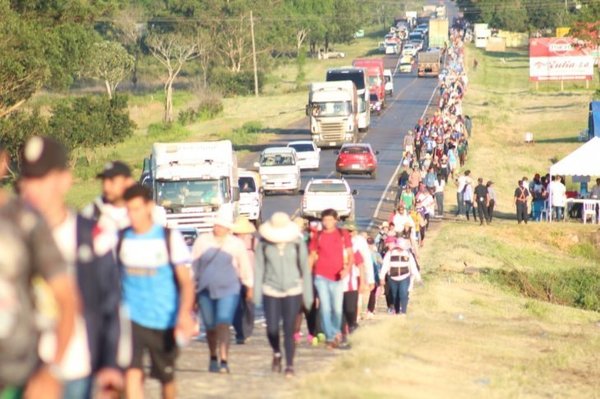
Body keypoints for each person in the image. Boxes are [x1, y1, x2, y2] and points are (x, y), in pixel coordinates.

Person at [18, 136, 123, 399]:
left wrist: (110, 363)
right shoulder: (12, 236)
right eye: (29, 179)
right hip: (22, 370)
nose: (34, 188)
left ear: (65, 180)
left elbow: (110, 303)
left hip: (77, 367)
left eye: (43, 179)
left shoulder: (93, 236)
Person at [0, 139, 78, 399]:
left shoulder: (25, 222)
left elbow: (66, 299)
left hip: (18, 375)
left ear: (3, 163)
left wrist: (51, 370)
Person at [117, 184, 195, 398]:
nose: (133, 215)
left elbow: (186, 283)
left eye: (137, 209)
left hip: (164, 320)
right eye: (129, 210)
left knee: (166, 379)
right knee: (131, 374)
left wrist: (183, 314)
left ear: (149, 207)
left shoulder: (168, 239)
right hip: (131, 319)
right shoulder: (122, 239)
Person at [192, 211, 253, 374]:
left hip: (229, 289)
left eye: (222, 226)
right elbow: (195, 267)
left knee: (224, 323)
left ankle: (224, 359)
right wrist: (192, 288)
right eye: (217, 225)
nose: (218, 228)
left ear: (228, 228)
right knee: (211, 327)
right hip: (205, 289)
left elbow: (244, 266)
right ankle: (213, 356)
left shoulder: (235, 244)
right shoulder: (202, 241)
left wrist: (249, 286)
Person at [254, 213, 313, 378]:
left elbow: (305, 270)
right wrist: (256, 295)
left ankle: (289, 365)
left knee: (289, 329)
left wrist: (307, 296)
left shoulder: (297, 244)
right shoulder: (264, 244)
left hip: (293, 290)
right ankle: (276, 352)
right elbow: (258, 269)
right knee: (272, 329)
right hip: (270, 290)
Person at [308, 209, 353, 349]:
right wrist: (307, 274)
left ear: (335, 220)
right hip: (320, 276)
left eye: (330, 219)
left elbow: (350, 255)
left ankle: (335, 332)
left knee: (337, 308)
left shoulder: (342, 234)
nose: (327, 222)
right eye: (325, 220)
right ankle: (330, 336)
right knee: (325, 308)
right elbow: (312, 256)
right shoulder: (318, 236)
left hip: (337, 276)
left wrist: (347, 269)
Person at [231, 216, 257, 345]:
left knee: (249, 305)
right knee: (235, 307)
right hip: (233, 278)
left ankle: (247, 329)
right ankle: (240, 332)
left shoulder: (253, 242)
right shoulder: (230, 241)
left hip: (250, 278)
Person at [379, 240, 422, 315]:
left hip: (405, 277)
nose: (400, 249)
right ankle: (397, 311)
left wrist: (418, 278)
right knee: (395, 295)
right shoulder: (390, 253)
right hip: (392, 278)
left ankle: (403, 312)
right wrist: (382, 277)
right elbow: (385, 266)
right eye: (399, 247)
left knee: (403, 293)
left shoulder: (408, 254)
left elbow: (413, 267)